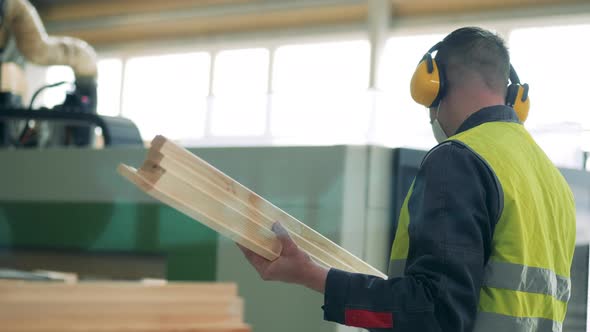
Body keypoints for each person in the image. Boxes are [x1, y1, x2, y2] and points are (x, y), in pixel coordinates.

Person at [238, 26, 576, 332]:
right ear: (513, 94)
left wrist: (311, 275)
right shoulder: (552, 180)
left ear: (434, 84)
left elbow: (433, 314)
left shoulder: (460, 158)